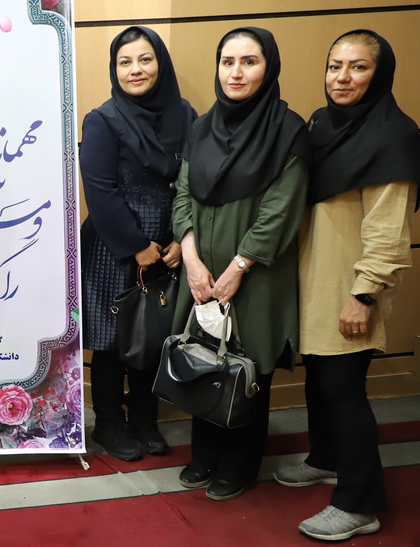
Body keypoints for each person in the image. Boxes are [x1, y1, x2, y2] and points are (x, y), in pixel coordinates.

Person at [275, 30, 420, 540]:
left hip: (351, 285)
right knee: (319, 378)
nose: (342, 78)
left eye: (358, 67)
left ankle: (360, 503)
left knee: (343, 389)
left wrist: (364, 295)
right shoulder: (322, 124)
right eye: (335, 66)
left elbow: (388, 230)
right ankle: (327, 458)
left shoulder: (394, 136)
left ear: (380, 74)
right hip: (314, 278)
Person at [171, 27, 310, 501]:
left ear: (268, 68)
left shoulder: (289, 131)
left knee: (247, 367)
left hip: (255, 274)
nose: (236, 72)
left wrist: (237, 268)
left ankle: (241, 464)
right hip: (202, 271)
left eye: (249, 62)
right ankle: (206, 454)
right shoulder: (201, 127)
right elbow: (183, 193)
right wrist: (192, 259)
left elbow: (279, 211)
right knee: (204, 358)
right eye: (227, 61)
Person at [80, 26, 195, 461]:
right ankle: (109, 424)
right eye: (124, 62)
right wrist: (136, 245)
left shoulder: (185, 115)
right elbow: (100, 192)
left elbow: (195, 181)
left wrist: (181, 239)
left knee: (155, 334)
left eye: (145, 59)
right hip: (115, 244)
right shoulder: (103, 120)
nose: (135, 70)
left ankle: (146, 420)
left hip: (170, 241)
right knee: (113, 339)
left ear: (160, 63)